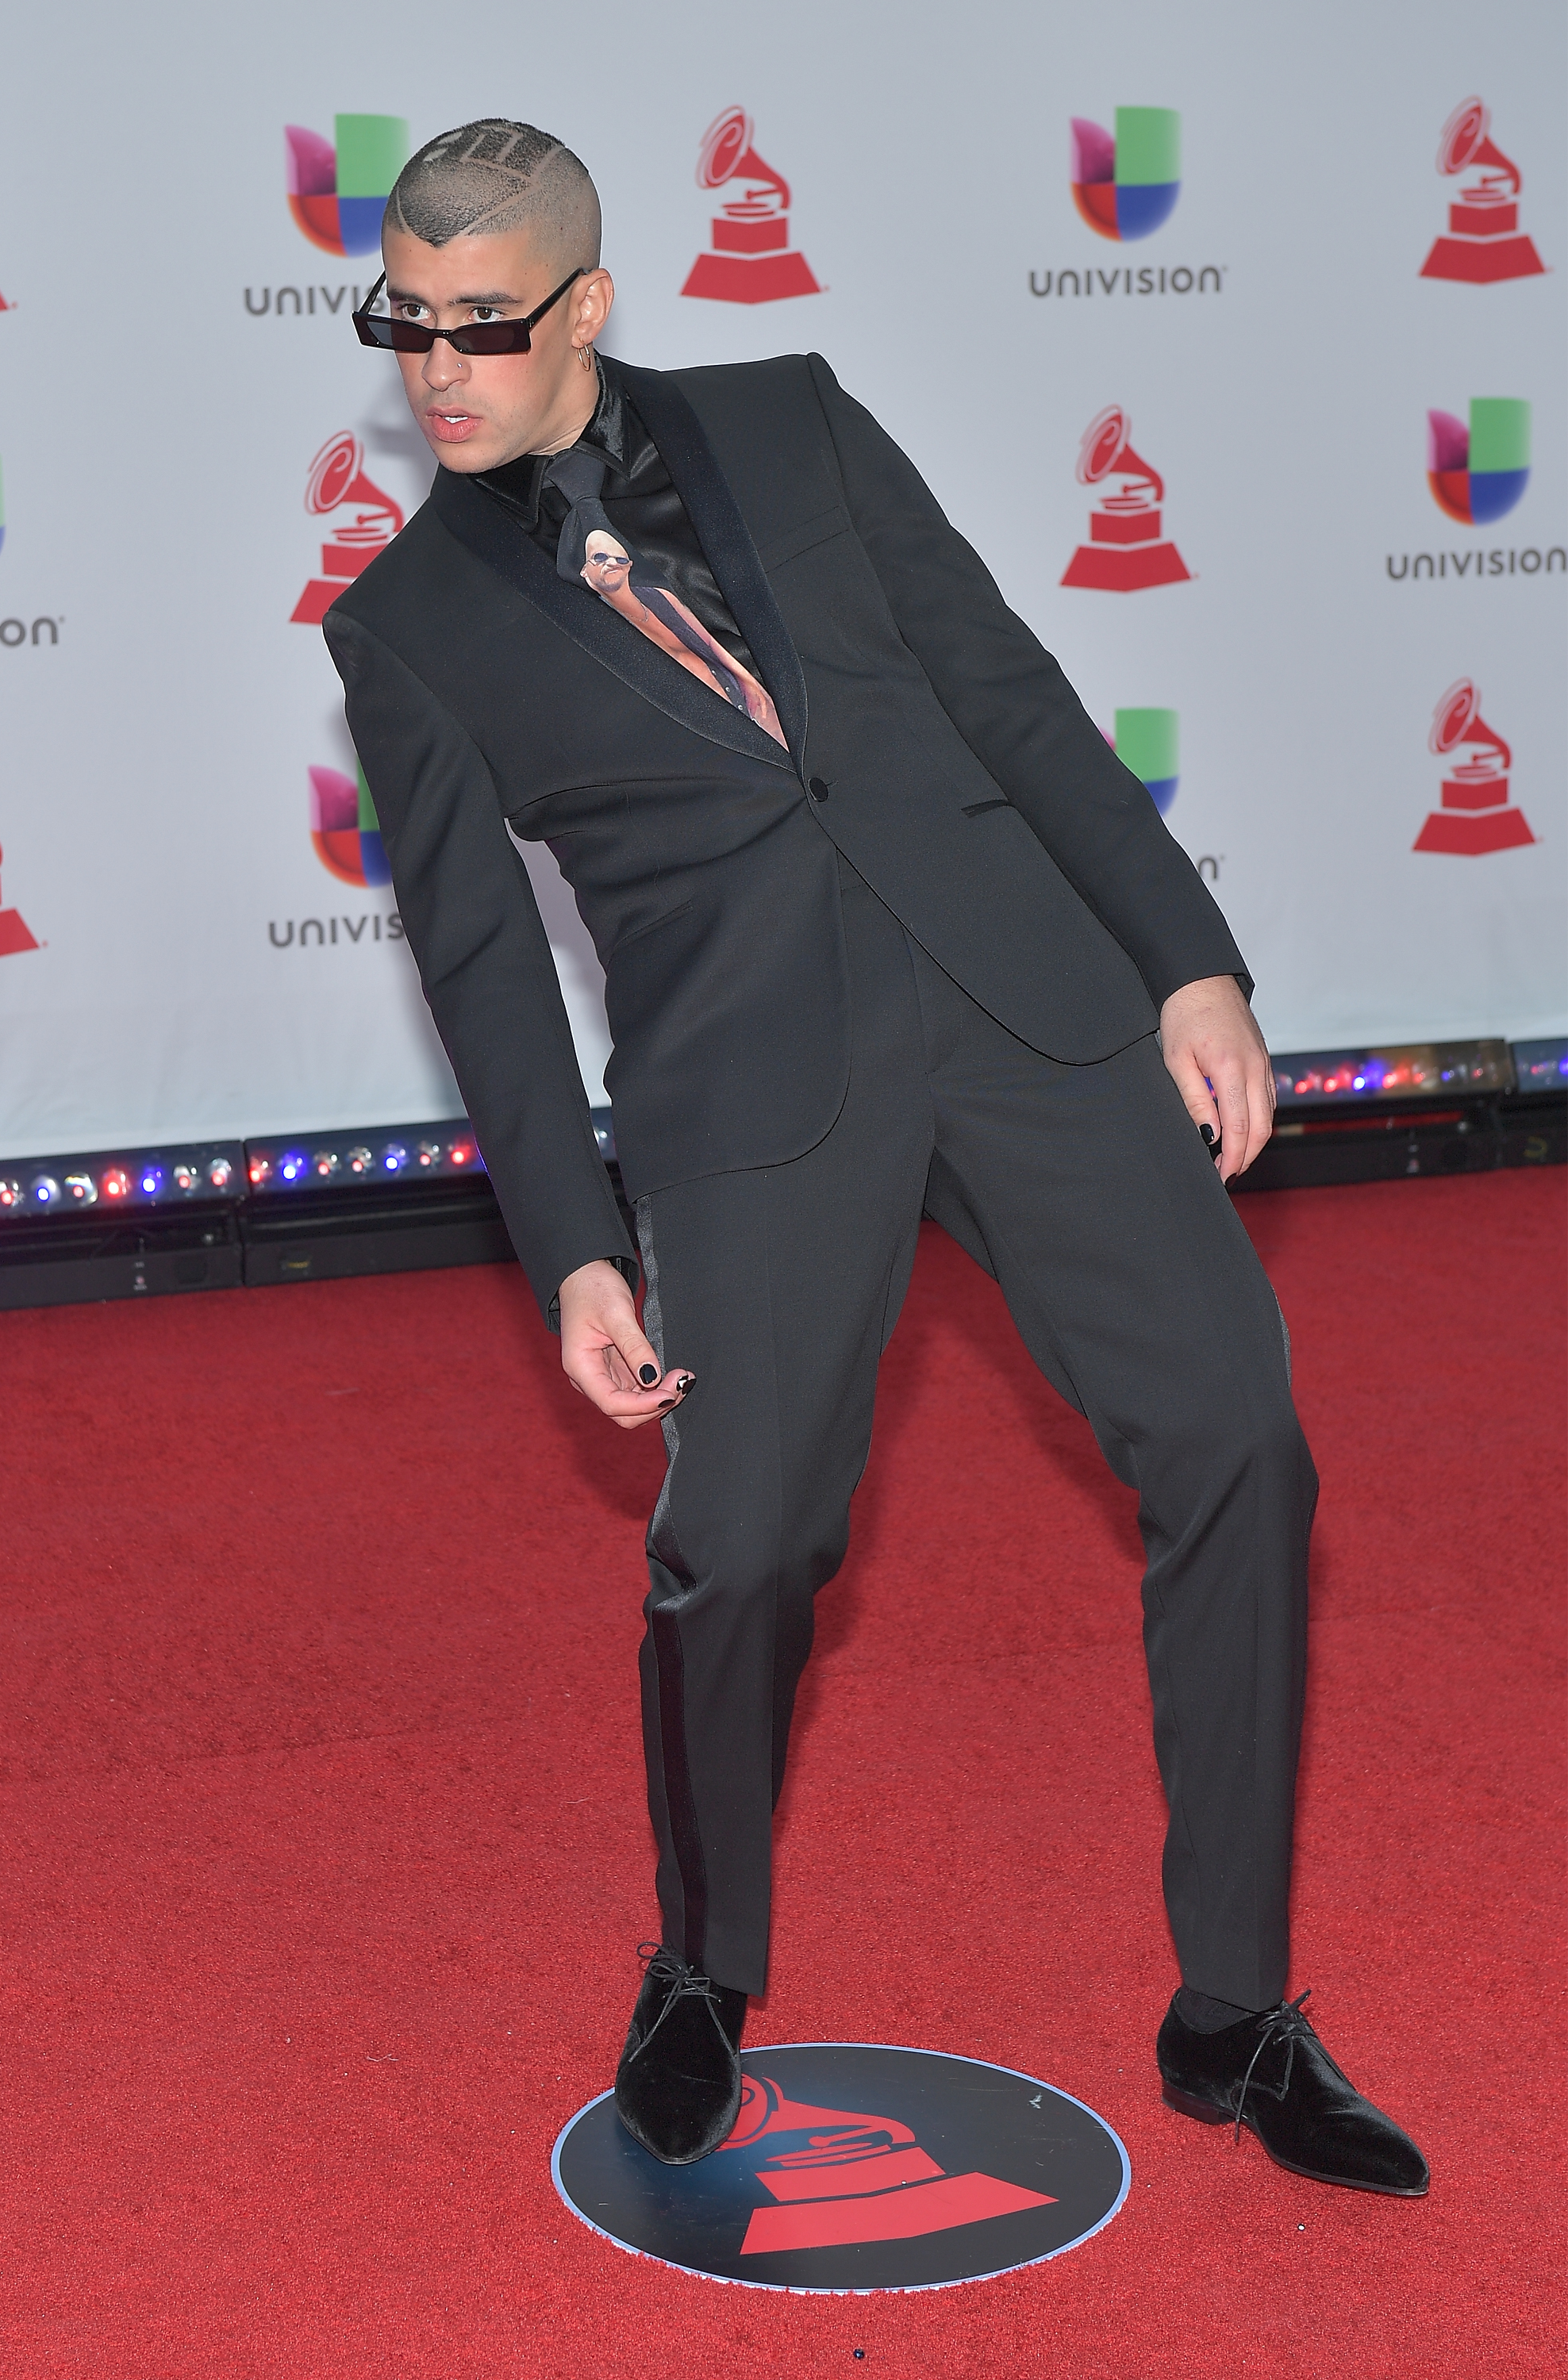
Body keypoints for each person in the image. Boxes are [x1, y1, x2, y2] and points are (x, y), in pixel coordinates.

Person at [325, 117, 1428, 2197]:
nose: (438, 369)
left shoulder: (792, 420)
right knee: (741, 1546)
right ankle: (701, 1964)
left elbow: (1004, 686)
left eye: (483, 324)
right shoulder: (406, 627)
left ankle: (1237, 2010)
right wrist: (572, 1246)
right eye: (406, 323)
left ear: (588, 305)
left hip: (1023, 1005)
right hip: (750, 1085)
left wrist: (1188, 963)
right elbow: (480, 967)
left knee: (1241, 1449)